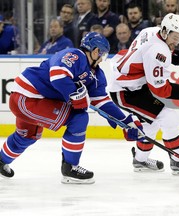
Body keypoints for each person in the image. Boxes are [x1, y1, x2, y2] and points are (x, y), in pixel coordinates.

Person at [0, 32, 144, 184]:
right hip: (29, 97)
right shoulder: (74, 55)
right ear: (95, 51)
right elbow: (58, 76)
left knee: (27, 135)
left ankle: (1, 161)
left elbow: (102, 102)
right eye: (102, 54)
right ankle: (70, 167)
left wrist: (126, 122)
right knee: (79, 118)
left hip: (29, 99)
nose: (102, 58)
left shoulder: (96, 75)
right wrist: (75, 95)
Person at [109, 13, 179, 174]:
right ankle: (178, 161)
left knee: (152, 121)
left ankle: (140, 160)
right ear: (164, 31)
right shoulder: (159, 52)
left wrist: (173, 54)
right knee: (168, 117)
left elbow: (145, 53)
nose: (176, 41)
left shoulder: (151, 31)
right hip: (126, 91)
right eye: (174, 37)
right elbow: (160, 89)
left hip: (130, 84)